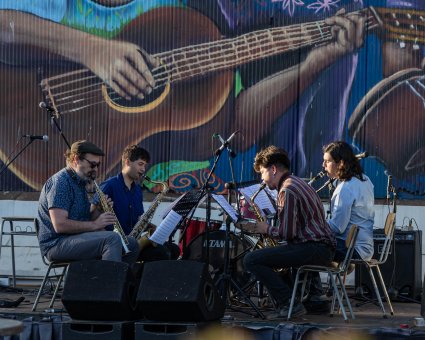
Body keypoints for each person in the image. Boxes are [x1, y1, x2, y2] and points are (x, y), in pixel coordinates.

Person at [241, 145, 335, 319]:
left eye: (262, 172)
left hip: (314, 249)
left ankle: (287, 304)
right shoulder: (298, 182)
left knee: (251, 260)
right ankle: (303, 302)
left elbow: (288, 234)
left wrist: (265, 228)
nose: (262, 179)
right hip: (321, 248)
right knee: (276, 259)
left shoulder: (287, 190)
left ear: (273, 169)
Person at [37, 140, 140, 263]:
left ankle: (122, 280)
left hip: (76, 238)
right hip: (56, 243)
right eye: (92, 164)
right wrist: (96, 224)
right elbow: (60, 225)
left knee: (131, 244)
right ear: (76, 159)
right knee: (112, 239)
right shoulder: (61, 183)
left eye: (98, 165)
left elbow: (84, 220)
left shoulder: (81, 183)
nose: (95, 169)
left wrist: (98, 210)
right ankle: (108, 281)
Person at [92, 145, 180, 261]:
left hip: (133, 241)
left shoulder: (138, 190)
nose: (144, 169)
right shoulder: (109, 186)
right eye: (140, 164)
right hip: (116, 244)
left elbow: (138, 219)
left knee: (174, 249)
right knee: (161, 253)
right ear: (128, 162)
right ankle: (135, 277)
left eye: (145, 165)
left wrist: (150, 227)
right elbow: (92, 214)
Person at [322, 141, 375, 262]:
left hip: (352, 249)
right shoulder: (365, 180)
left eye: (328, 161)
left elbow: (337, 227)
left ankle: (308, 281)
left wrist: (315, 225)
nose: (323, 165)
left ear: (340, 163)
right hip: (365, 248)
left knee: (308, 248)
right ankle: (311, 281)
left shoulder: (345, 188)